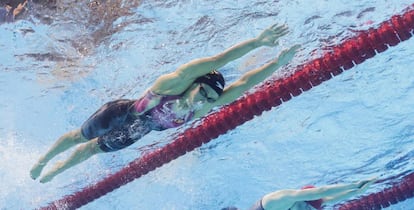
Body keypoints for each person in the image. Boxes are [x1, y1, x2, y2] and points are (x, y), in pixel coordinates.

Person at [30, 24, 300, 183]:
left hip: (137, 131)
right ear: (195, 82)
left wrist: (276, 64)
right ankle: (45, 158)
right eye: (204, 92)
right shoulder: (173, 83)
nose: (204, 100)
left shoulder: (205, 105)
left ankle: (57, 170)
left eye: (210, 98)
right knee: (80, 136)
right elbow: (219, 59)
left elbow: (243, 85)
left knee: (93, 151)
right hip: (121, 114)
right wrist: (256, 42)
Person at [223, 177, 376, 210]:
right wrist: (355, 191)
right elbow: (324, 200)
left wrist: (355, 186)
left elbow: (321, 194)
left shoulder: (271, 202)